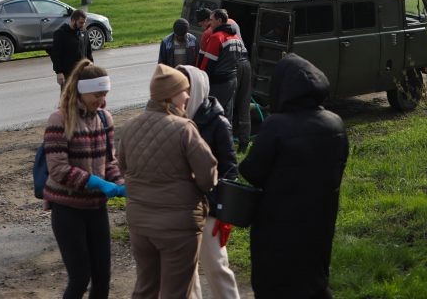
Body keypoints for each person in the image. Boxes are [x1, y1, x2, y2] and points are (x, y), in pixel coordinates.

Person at [238, 53, 349, 299]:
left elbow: (252, 172)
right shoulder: (336, 124)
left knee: (277, 284)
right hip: (320, 217)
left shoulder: (276, 126)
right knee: (314, 281)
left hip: (279, 223)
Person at [118, 64, 218, 299]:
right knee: (176, 292)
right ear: (170, 95)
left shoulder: (130, 126)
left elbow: (124, 167)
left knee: (145, 289)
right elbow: (208, 175)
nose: (188, 96)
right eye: (184, 90)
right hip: (178, 227)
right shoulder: (185, 129)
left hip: (140, 224)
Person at [42, 59, 125, 299]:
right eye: (97, 95)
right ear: (83, 91)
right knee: (80, 278)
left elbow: (110, 160)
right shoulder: (59, 120)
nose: (102, 100)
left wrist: (120, 183)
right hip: (67, 209)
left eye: (105, 94)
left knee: (103, 278)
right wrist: (96, 182)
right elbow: (57, 169)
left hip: (95, 208)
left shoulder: (104, 118)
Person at [177, 64, 240, 299]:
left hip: (210, 210)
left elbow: (230, 169)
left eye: (185, 88)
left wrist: (220, 211)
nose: (181, 95)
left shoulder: (217, 122)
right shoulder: (175, 120)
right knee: (186, 271)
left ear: (197, 89)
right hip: (182, 208)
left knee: (217, 266)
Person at [198, 9, 248, 124]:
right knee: (227, 114)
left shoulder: (217, 37)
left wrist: (202, 81)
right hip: (232, 80)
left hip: (218, 83)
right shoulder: (236, 38)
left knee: (213, 113)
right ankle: (227, 138)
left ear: (219, 21)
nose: (209, 23)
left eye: (211, 20)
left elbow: (207, 64)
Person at [51, 9, 93, 91]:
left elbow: (88, 51)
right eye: (81, 22)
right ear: (73, 20)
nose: (83, 25)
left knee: (82, 99)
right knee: (67, 99)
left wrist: (91, 66)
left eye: (84, 22)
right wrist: (59, 72)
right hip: (67, 74)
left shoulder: (84, 32)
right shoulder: (60, 33)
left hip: (82, 73)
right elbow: (55, 54)